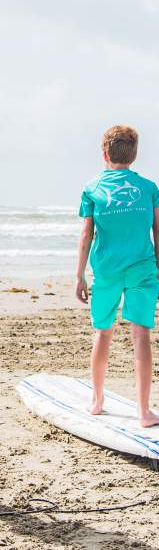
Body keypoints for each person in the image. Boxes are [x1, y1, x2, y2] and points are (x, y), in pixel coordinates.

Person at [76, 125, 159, 427]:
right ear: (134, 155)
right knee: (141, 336)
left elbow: (86, 234)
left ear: (104, 153)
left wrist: (79, 275)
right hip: (143, 268)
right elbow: (158, 231)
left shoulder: (92, 188)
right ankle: (144, 411)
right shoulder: (149, 188)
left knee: (103, 332)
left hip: (106, 270)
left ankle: (97, 401)